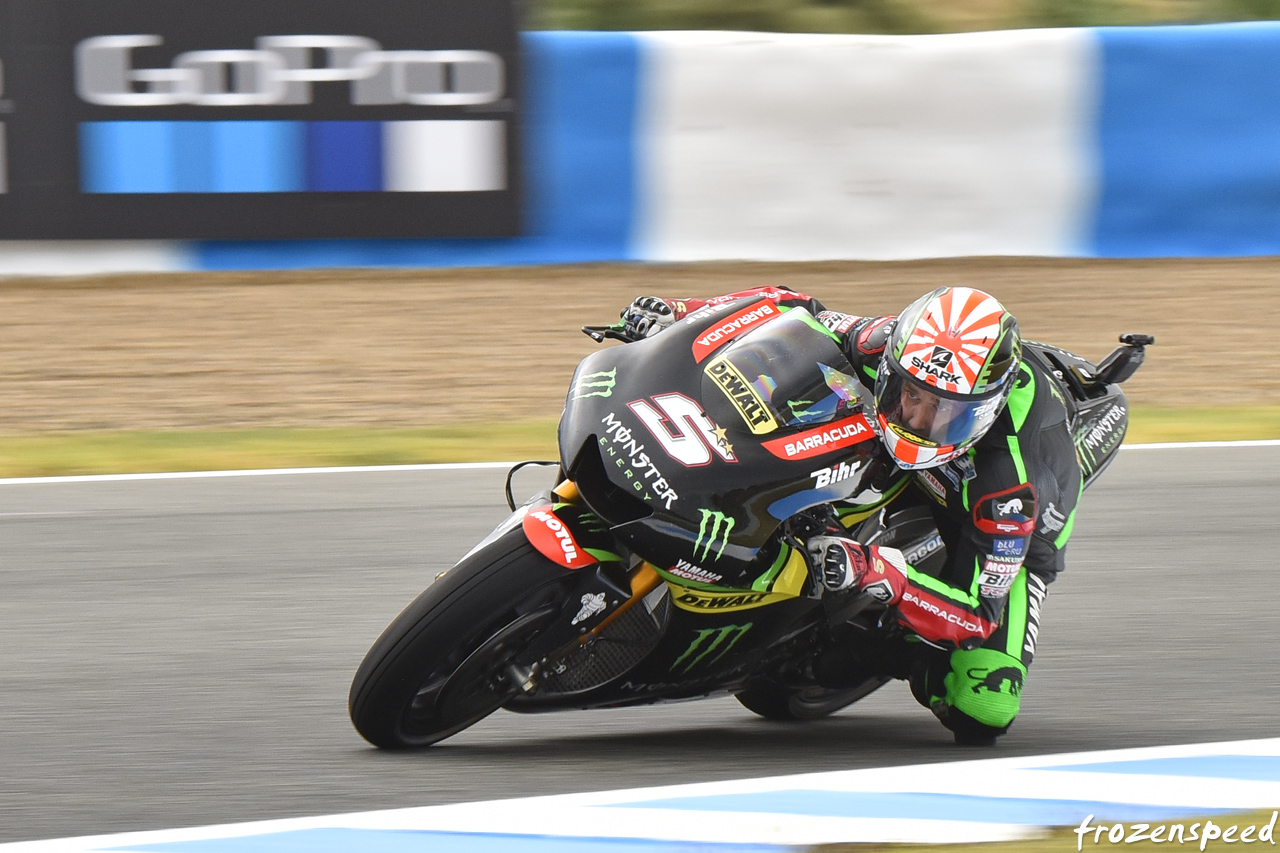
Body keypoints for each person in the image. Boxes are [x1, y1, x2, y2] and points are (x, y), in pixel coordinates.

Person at [620, 286, 1081, 746]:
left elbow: (977, 614)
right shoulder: (886, 347)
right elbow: (790, 310)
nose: (916, 420)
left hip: (997, 531)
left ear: (982, 413)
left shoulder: (1009, 486)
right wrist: (682, 314)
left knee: (982, 708)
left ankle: (882, 652)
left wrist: (881, 575)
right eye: (909, 394)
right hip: (913, 466)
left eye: (942, 410)